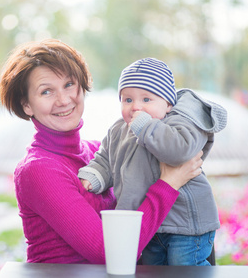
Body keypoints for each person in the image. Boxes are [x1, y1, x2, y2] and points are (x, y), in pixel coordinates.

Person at [0, 39, 203, 264]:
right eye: (46, 91)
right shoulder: (39, 169)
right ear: (26, 104)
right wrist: (169, 184)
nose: (64, 100)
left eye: (69, 85)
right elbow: (110, 253)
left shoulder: (101, 151)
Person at [78, 57, 227, 265]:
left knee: (184, 269)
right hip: (149, 224)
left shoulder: (180, 124)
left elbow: (179, 152)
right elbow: (106, 159)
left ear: (167, 104)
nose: (136, 107)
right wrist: (94, 176)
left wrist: (145, 127)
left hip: (185, 225)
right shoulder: (119, 129)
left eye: (146, 100)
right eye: (127, 100)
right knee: (150, 271)